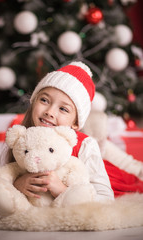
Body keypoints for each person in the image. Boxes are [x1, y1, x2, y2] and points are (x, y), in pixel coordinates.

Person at [11, 61, 114, 202]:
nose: (50, 112)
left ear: (76, 123)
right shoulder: (22, 138)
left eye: (63, 109)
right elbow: (4, 179)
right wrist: (17, 185)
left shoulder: (85, 145)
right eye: (44, 100)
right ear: (34, 101)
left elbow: (106, 199)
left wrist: (62, 190)